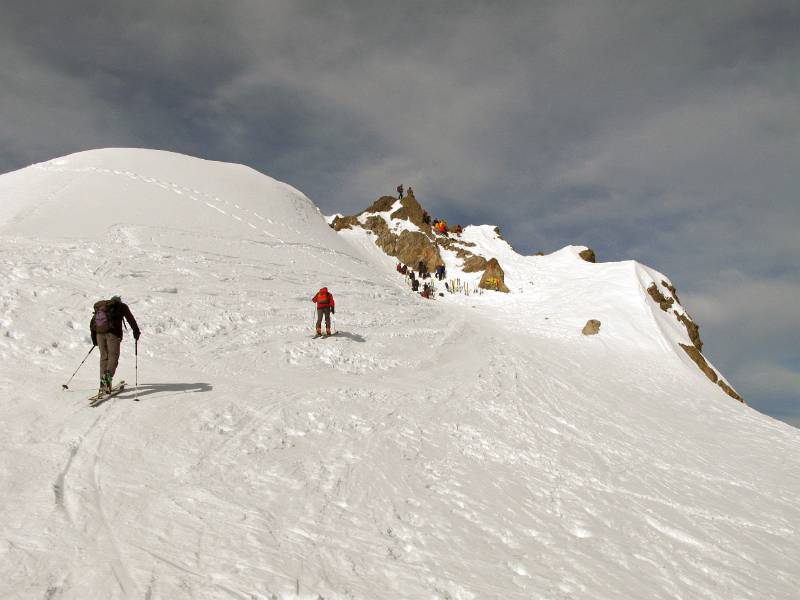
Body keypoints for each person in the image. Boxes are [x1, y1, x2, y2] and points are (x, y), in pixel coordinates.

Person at [90, 295, 140, 394]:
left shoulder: (102, 307)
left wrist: (94, 339)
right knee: (113, 357)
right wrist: (136, 331)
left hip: (99, 334)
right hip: (113, 335)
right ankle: (107, 381)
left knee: (104, 358)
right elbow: (130, 318)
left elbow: (92, 323)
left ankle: (103, 384)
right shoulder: (122, 306)